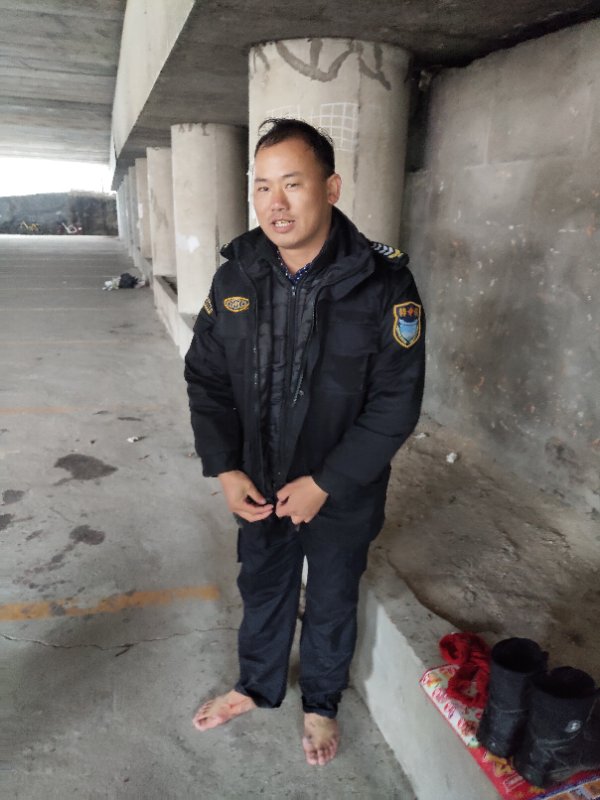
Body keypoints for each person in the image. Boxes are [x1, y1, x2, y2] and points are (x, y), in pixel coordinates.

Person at [184, 118, 425, 766]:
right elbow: (206, 379)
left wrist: (327, 483)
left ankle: (320, 702)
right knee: (263, 584)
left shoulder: (383, 284)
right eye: (263, 187)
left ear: (332, 188)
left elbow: (396, 403)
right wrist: (225, 467)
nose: (276, 203)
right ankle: (256, 686)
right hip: (258, 479)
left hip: (341, 489)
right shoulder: (236, 277)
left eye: (292, 183)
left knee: (332, 597)